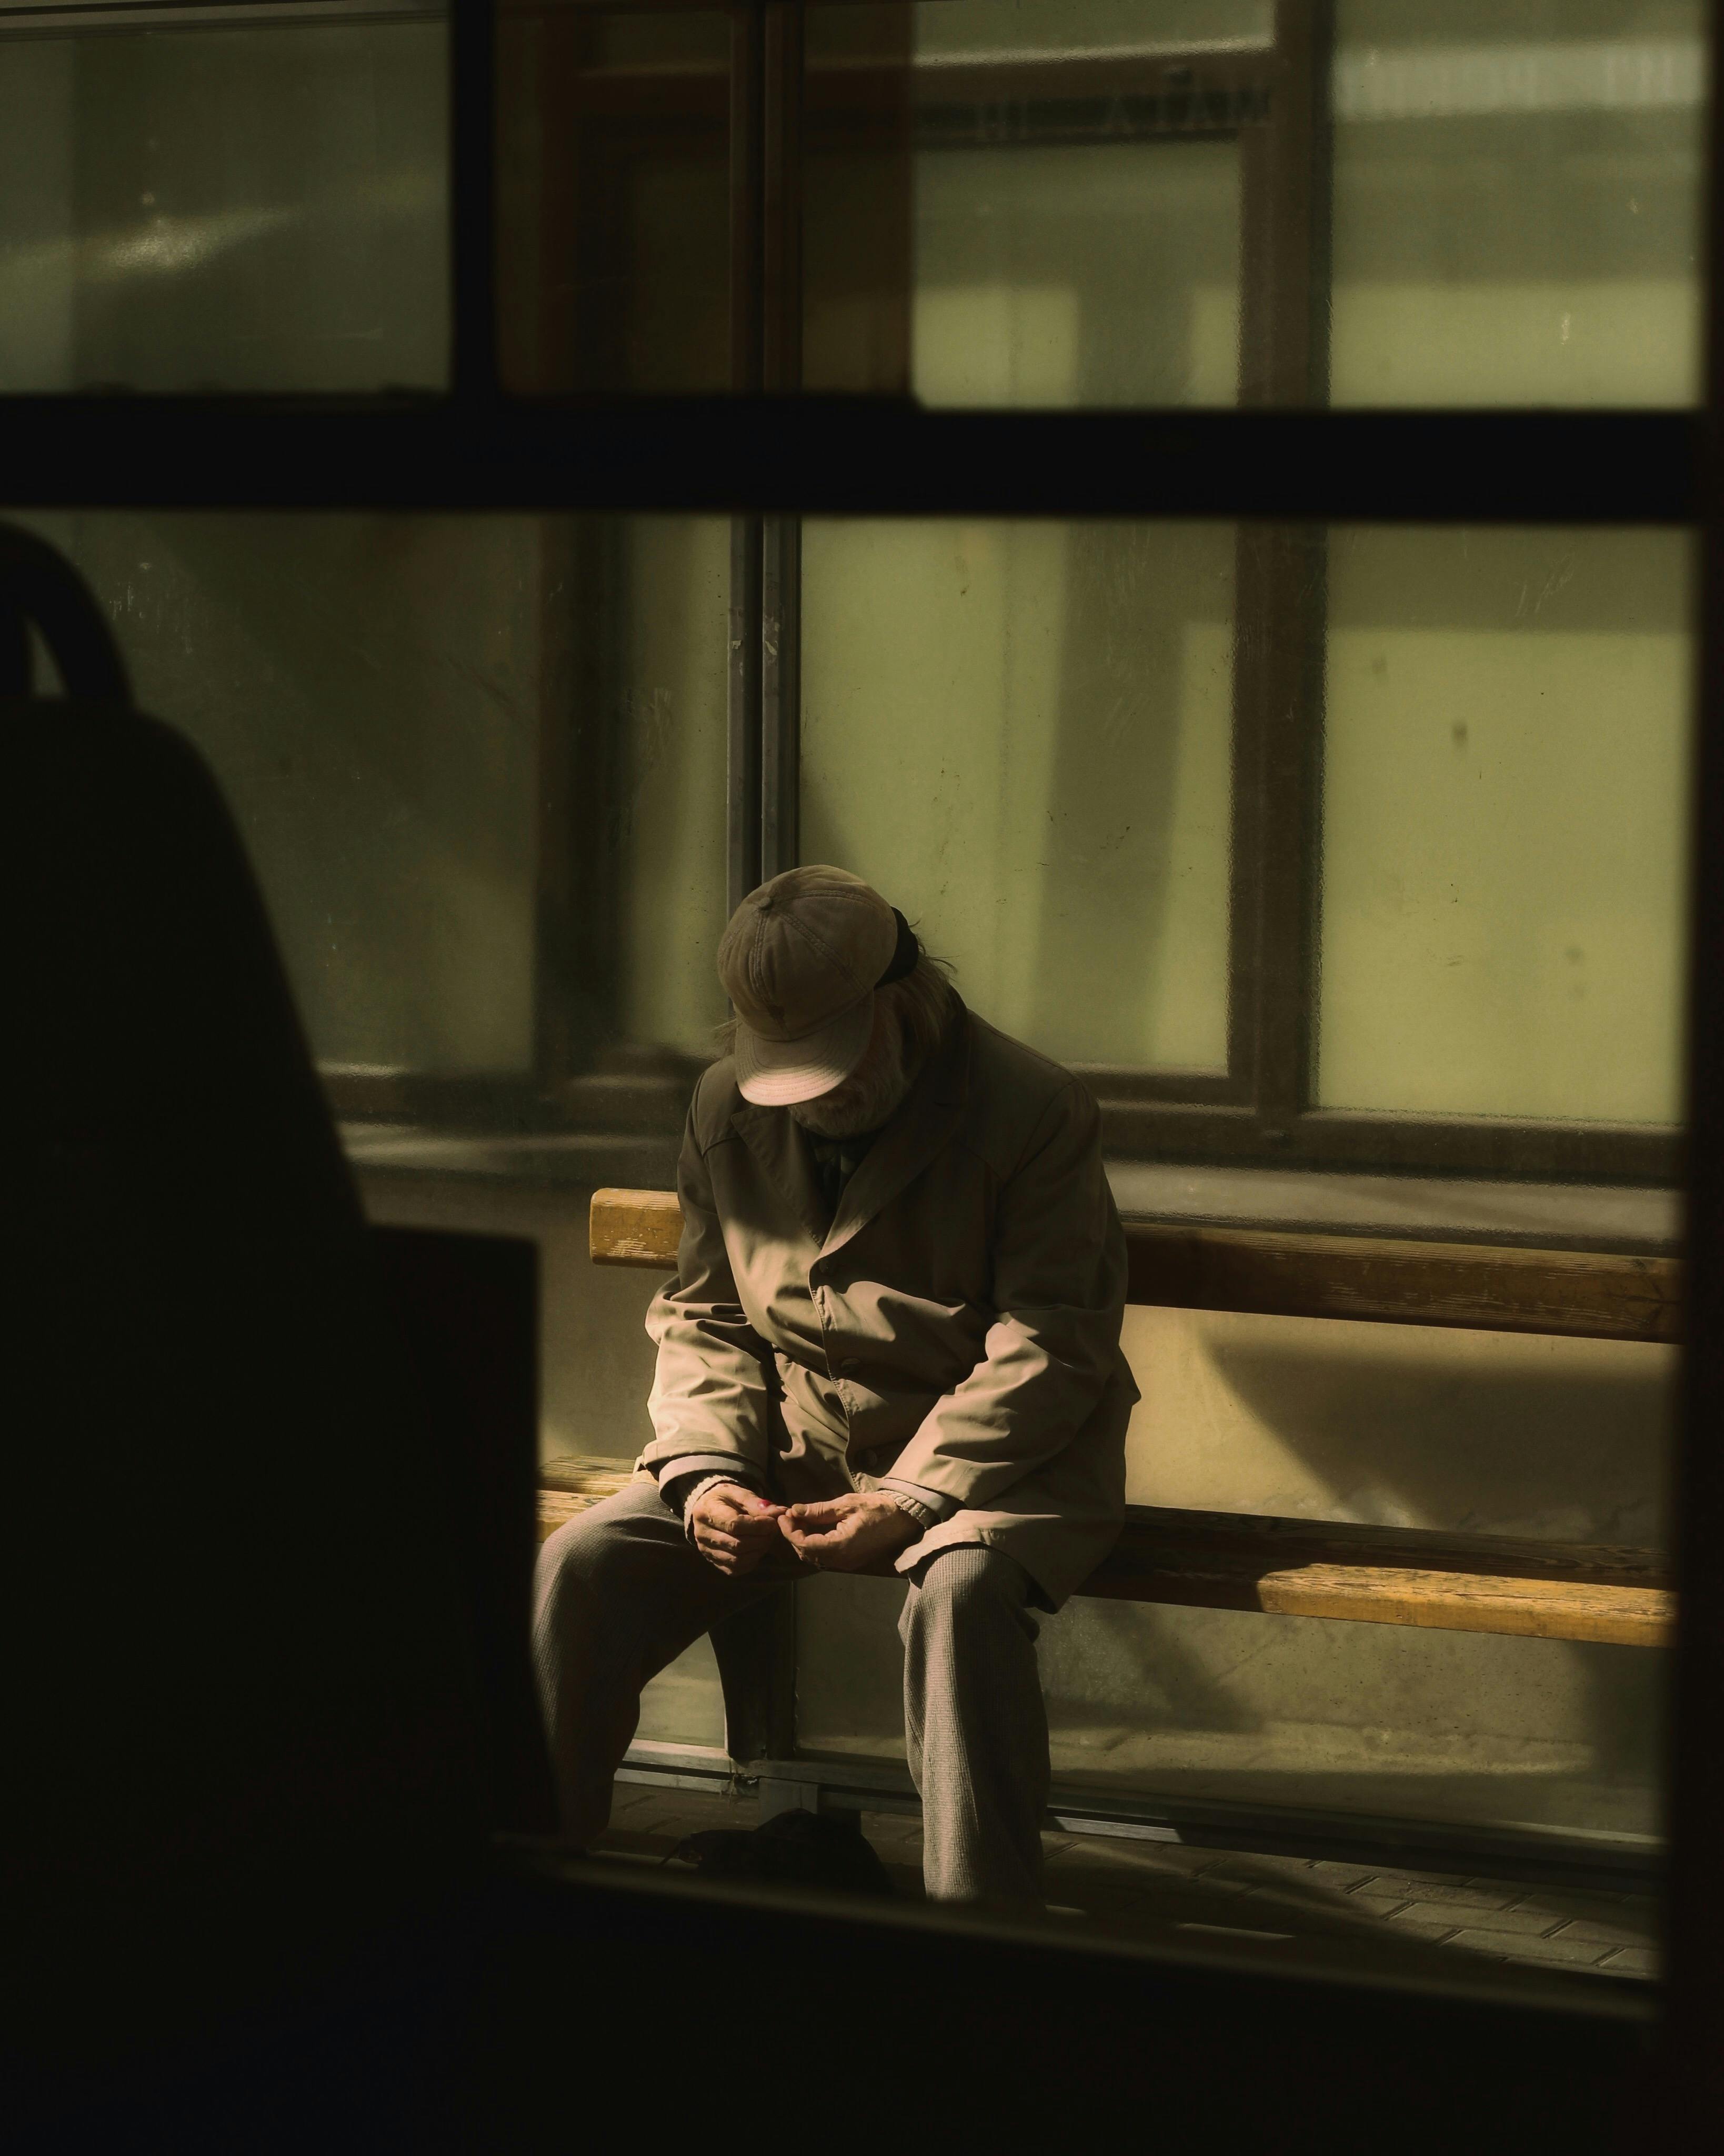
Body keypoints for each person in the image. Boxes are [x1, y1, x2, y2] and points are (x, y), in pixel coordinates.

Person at [534, 865, 1137, 1907]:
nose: (810, 1098)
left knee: (959, 1599)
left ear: (901, 1007)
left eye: (833, 1063)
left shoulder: (1031, 1107)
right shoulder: (725, 1104)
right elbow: (706, 1309)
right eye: (784, 1068)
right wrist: (708, 1469)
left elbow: (1054, 1341)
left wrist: (908, 1497)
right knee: (581, 1565)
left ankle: (981, 1926)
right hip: (796, 1444)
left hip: (994, 1457)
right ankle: (523, 1870)